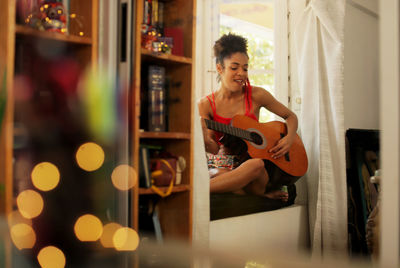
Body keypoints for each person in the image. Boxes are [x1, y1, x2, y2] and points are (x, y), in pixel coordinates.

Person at [198, 33, 299, 201]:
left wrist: (289, 139)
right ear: (219, 68)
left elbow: (290, 116)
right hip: (224, 166)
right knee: (221, 174)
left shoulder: (257, 95)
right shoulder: (205, 104)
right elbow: (214, 148)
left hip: (254, 169)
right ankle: (260, 195)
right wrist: (203, 138)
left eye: (245, 68)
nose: (241, 73)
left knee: (257, 165)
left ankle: (198, 191)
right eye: (234, 67)